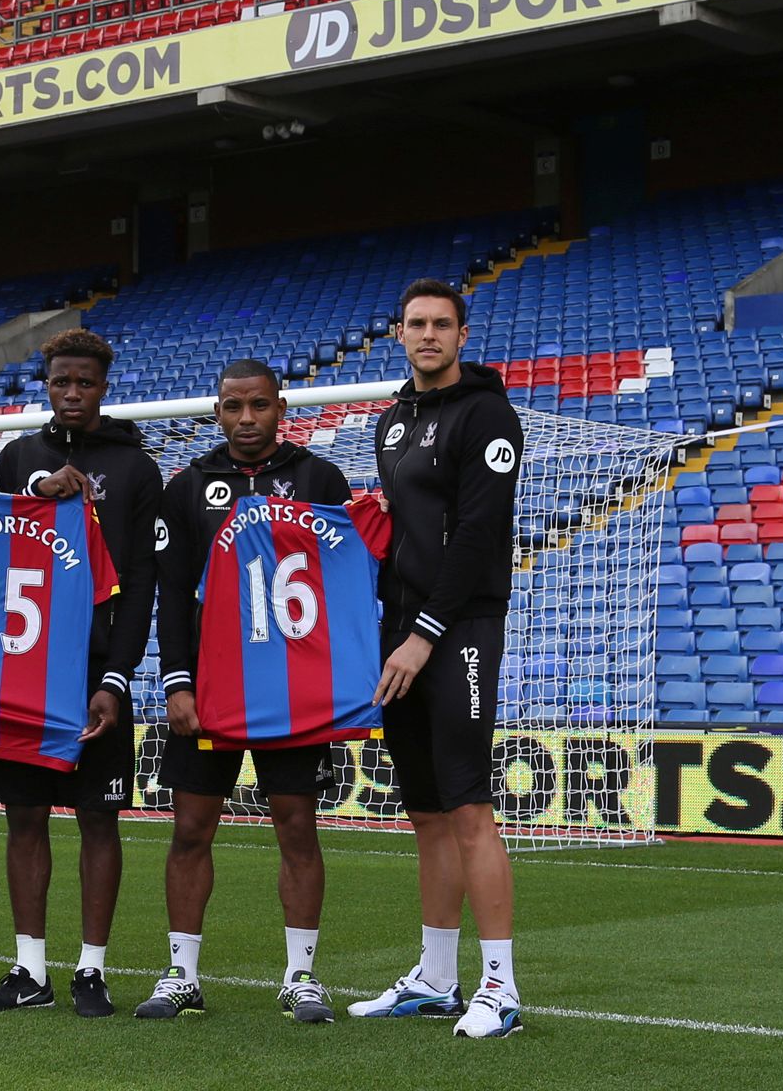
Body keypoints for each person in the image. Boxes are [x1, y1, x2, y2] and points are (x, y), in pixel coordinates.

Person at [134, 359, 352, 1025]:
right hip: (210, 687)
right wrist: (176, 680)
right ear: (217, 410)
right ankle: (181, 974)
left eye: (259, 405)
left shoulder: (320, 479)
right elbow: (171, 593)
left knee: (297, 828)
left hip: (294, 688)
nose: (247, 419)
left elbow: (341, 585)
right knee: (191, 829)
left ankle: (301, 976)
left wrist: (339, 683)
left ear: (280, 407)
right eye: (234, 407)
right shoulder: (190, 486)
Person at [349, 279, 527, 1040]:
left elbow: (480, 536)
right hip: (403, 632)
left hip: (459, 631)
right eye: (416, 324)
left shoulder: (488, 414)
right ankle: (435, 977)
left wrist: (423, 635)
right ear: (398, 333)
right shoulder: (392, 423)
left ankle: (502, 989)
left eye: (441, 325)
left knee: (467, 809)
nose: (428, 335)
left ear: (462, 334)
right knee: (424, 813)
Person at [0, 327, 162, 1018]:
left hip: (94, 676)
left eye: (85, 383)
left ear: (104, 386)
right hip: (25, 672)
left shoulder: (137, 468)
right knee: (24, 818)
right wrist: (35, 487)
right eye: (61, 383)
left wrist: (117, 677)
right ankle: (29, 971)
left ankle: (90, 971)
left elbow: (141, 583)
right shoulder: (18, 456)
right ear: (45, 384)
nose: (73, 393)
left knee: (97, 819)